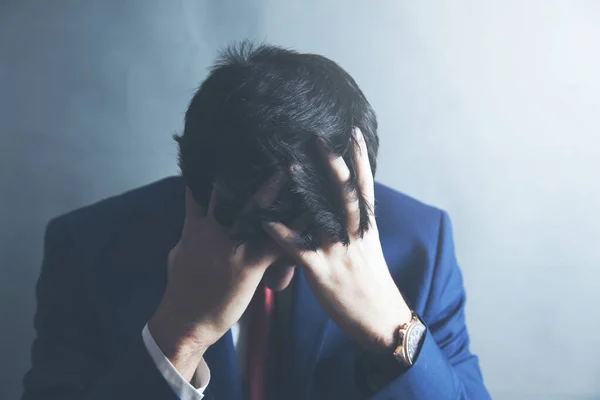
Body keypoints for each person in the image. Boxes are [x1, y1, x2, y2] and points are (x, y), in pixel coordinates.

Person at [22, 42, 490, 400]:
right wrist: (179, 337)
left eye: (311, 241)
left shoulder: (422, 244)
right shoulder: (87, 249)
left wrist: (394, 331)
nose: (283, 278)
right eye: (257, 241)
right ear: (198, 196)